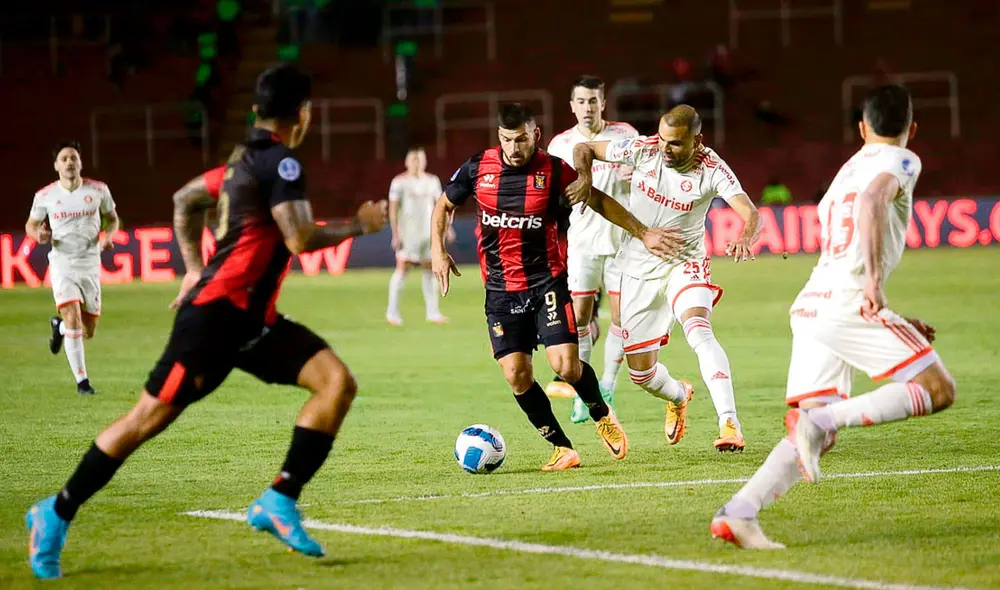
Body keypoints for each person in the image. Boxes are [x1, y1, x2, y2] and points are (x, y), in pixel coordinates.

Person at [25, 63, 389, 579]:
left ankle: (279, 500)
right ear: (303, 114)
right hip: (214, 319)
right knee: (145, 420)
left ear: (258, 110)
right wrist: (360, 225)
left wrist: (195, 267)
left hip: (251, 320)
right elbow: (299, 238)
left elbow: (186, 199)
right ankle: (55, 512)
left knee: (336, 383)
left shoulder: (240, 162)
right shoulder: (282, 162)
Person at [711, 84, 956, 548]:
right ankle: (821, 421)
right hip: (847, 302)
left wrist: (888, 310)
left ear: (862, 128)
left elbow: (845, 246)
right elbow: (873, 201)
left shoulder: (845, 172)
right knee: (938, 390)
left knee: (816, 429)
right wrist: (875, 284)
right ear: (912, 128)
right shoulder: (902, 159)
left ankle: (740, 512)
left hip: (814, 304)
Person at [430, 103, 683, 471]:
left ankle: (601, 414)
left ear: (535, 134)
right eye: (506, 140)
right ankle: (562, 448)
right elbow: (443, 205)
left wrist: (642, 232)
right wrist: (438, 251)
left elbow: (598, 200)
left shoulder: (554, 170)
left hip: (546, 283)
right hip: (500, 291)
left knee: (566, 366)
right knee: (517, 375)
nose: (513, 148)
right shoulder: (478, 167)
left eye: (520, 139)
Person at [570, 105, 761, 452]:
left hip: (684, 263)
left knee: (699, 330)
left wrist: (746, 234)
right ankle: (679, 395)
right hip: (637, 267)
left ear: (697, 141)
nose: (665, 148)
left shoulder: (711, 168)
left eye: (675, 143)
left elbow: (749, 211)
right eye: (662, 139)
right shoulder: (643, 150)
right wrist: (585, 178)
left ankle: (729, 423)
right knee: (641, 374)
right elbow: (584, 148)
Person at [544, 75, 637, 423]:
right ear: (572, 106)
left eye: (593, 101)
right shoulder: (560, 145)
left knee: (621, 319)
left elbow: (650, 174)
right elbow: (550, 193)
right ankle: (587, 392)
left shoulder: (625, 135)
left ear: (603, 103)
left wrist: (637, 174)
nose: (587, 107)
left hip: (622, 243)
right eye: (581, 101)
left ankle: (607, 386)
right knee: (579, 318)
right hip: (583, 243)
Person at [25, 141, 120, 395]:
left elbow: (112, 219)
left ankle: (60, 328)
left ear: (80, 163)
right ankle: (83, 383)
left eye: (73, 158)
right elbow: (31, 225)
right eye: (64, 158)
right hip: (62, 263)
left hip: (90, 263)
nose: (69, 162)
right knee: (73, 319)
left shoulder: (98, 190)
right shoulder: (45, 196)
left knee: (87, 330)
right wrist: (38, 235)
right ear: (56, 165)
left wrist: (109, 235)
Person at [386, 146, 449, 326]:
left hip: (428, 233)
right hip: (408, 234)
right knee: (402, 269)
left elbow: (440, 206)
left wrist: (446, 228)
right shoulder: (399, 182)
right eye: (414, 159)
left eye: (420, 159)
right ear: (407, 162)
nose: (417, 163)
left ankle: (433, 312)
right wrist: (395, 233)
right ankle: (392, 312)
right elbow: (393, 209)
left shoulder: (432, 181)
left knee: (430, 270)